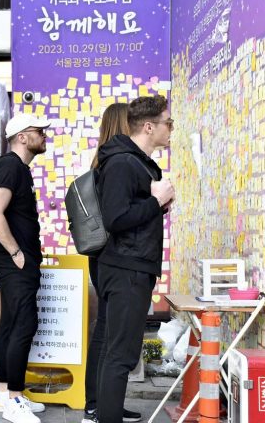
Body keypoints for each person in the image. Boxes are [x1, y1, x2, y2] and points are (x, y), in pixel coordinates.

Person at [95, 95, 175, 423]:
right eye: (167, 123)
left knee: (117, 351)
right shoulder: (122, 163)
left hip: (132, 266)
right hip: (127, 268)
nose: (171, 128)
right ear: (148, 126)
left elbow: (132, 213)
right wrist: (155, 203)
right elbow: (115, 219)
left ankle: (105, 412)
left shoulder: (134, 162)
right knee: (121, 354)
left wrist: (157, 203)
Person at [0, 113, 49, 423]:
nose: (44, 135)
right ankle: (13, 399)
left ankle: (4, 394)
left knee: (11, 322)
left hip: (14, 260)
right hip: (14, 261)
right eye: (39, 131)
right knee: (24, 323)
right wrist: (16, 252)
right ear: (22, 137)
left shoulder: (15, 168)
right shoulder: (10, 166)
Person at [82, 104, 142, 423]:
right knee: (110, 333)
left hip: (103, 257)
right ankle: (98, 406)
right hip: (116, 259)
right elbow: (119, 217)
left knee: (107, 330)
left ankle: (100, 404)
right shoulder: (118, 165)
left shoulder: (102, 162)